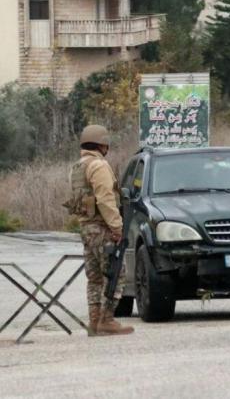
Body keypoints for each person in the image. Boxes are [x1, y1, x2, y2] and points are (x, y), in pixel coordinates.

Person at [67, 125, 134, 336]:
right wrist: (116, 226)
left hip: (86, 227)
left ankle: (94, 322)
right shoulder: (98, 165)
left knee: (94, 276)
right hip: (102, 227)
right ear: (102, 144)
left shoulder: (77, 167)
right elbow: (105, 199)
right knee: (115, 272)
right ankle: (107, 319)